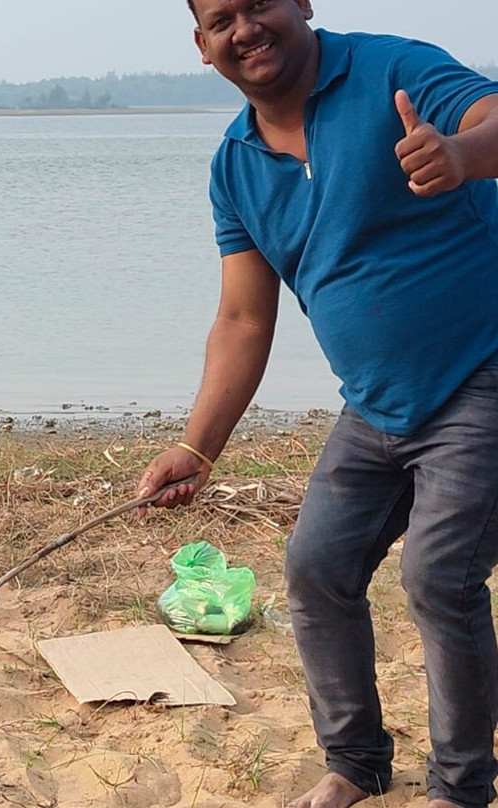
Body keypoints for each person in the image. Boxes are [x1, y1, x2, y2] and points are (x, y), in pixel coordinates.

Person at [137, 2, 498, 807]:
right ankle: (357, 764)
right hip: (375, 406)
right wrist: (197, 449)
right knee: (316, 569)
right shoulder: (234, 165)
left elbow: (494, 117)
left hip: (483, 371)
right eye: (222, 18)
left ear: (301, 2)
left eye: (260, 3)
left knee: (439, 575)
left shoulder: (391, 68)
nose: (246, 28)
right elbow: (242, 320)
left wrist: (462, 153)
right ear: (203, 47)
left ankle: (461, 789)